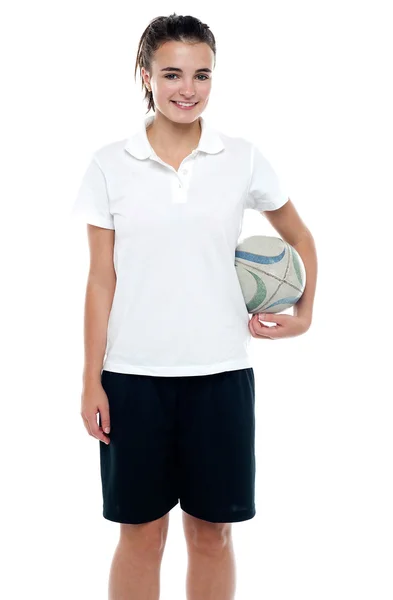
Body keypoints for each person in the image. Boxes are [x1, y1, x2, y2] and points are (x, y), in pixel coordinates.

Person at [71, 12, 317, 600]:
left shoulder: (243, 157)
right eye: (173, 73)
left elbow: (300, 237)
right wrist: (90, 379)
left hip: (221, 377)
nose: (189, 89)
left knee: (212, 535)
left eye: (202, 74)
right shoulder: (110, 163)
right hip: (132, 379)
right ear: (146, 75)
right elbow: (100, 278)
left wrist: (305, 314)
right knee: (141, 535)